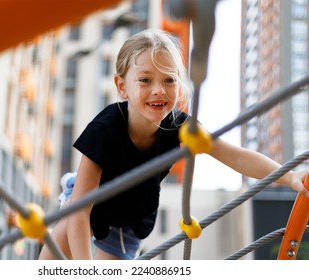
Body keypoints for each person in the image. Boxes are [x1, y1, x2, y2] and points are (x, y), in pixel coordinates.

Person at [38, 29, 309, 260]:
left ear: (179, 87)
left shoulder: (182, 127)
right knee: (56, 254)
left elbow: (235, 156)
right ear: (122, 87)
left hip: (132, 220)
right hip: (88, 204)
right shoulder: (105, 129)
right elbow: (80, 211)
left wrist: (290, 176)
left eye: (169, 80)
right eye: (145, 80)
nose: (159, 89)